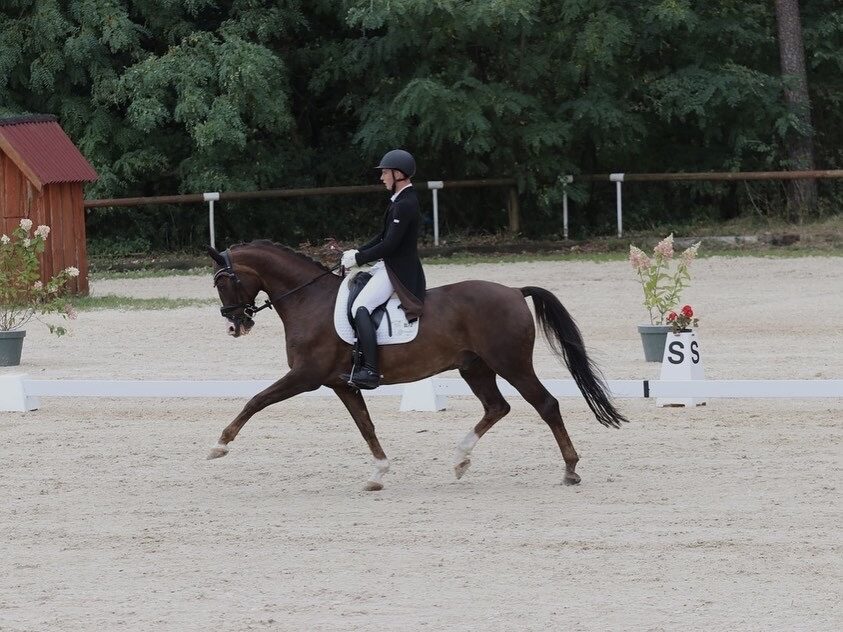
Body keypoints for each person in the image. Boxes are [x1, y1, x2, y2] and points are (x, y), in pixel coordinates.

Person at [340, 149, 426, 389]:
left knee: (360, 307)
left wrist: (359, 258)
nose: (382, 177)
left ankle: (370, 370)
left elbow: (389, 245)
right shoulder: (399, 201)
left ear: (398, 174)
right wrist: (357, 252)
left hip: (398, 270)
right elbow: (382, 236)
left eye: (385, 173)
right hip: (389, 265)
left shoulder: (405, 204)